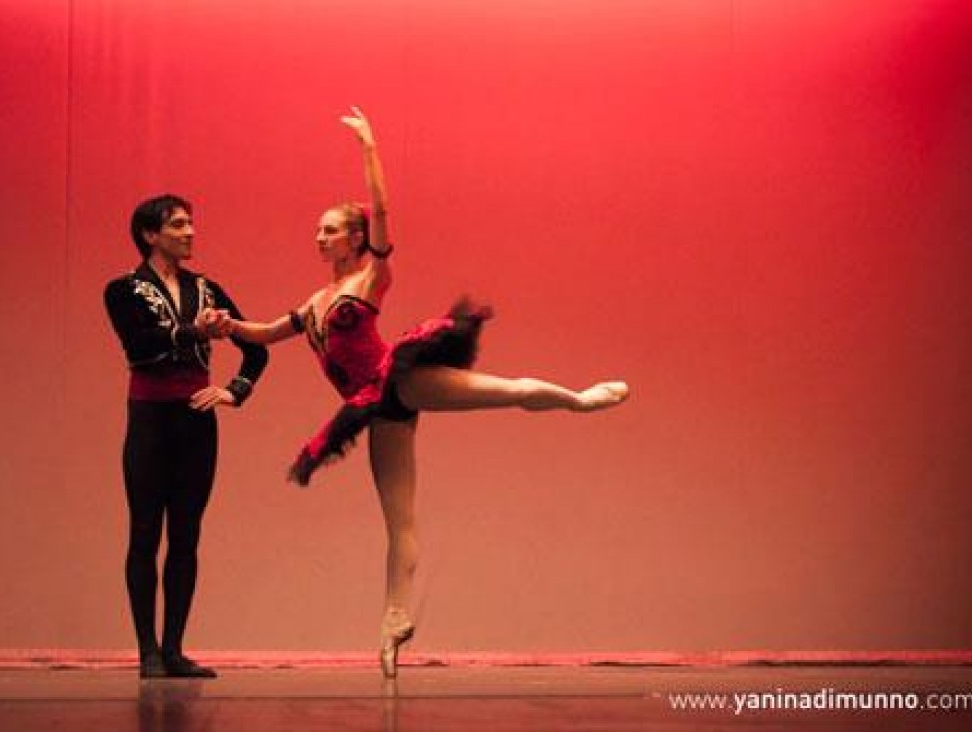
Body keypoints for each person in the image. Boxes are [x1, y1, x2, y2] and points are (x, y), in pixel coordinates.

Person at [205, 108, 628, 678]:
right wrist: (226, 325)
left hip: (399, 377)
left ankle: (580, 399)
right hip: (375, 410)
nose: (319, 236)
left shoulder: (370, 278)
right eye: (318, 230)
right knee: (399, 522)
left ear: (354, 237)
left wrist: (369, 146)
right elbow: (262, 333)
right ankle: (391, 623)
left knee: (505, 391)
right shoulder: (312, 303)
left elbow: (381, 209)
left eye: (329, 229)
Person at [103, 195, 270, 678]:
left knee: (186, 535)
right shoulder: (123, 290)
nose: (190, 232)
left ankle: (173, 649)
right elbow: (142, 344)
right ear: (150, 235)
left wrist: (235, 391)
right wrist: (194, 332)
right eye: (178, 225)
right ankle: (147, 652)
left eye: (191, 223)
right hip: (150, 420)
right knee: (143, 531)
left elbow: (255, 349)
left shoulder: (208, 289)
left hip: (195, 421)